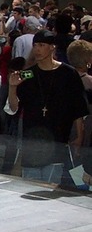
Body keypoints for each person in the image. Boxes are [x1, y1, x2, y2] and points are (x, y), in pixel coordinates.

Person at [6, 29, 89, 184]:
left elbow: (78, 108)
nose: (37, 49)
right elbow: (14, 107)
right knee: (30, 187)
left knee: (51, 186)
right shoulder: (28, 74)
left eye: (41, 45)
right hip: (32, 142)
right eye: (35, 45)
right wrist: (12, 87)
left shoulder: (68, 73)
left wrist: (79, 136)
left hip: (57, 140)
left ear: (52, 47)